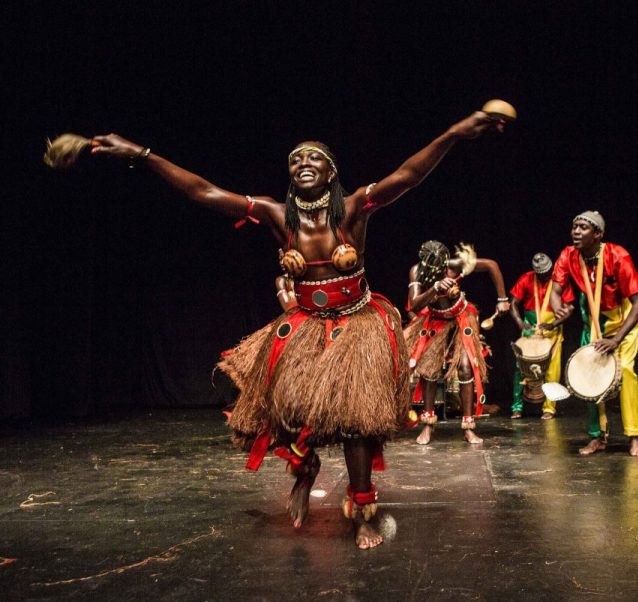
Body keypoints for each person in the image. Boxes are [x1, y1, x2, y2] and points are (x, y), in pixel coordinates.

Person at [88, 110, 505, 549]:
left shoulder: (356, 206)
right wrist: (142, 154)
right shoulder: (275, 214)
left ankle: (362, 511)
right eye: (295, 160)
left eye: (314, 158)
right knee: (282, 411)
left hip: (358, 324)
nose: (303, 163)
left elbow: (408, 175)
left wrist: (456, 133)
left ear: (331, 171)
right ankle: (304, 471)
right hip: (304, 323)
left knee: (356, 423)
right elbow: (204, 192)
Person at [550, 211, 638, 457]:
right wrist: (557, 308)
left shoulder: (618, 255)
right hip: (591, 320)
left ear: (598, 234)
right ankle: (597, 436)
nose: (576, 231)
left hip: (622, 322)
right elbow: (556, 290)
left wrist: (616, 338)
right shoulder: (568, 255)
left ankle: (634, 436)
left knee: (625, 371)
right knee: (588, 374)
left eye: (583, 228)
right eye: (574, 227)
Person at [404, 240, 510, 445]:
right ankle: (428, 425)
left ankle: (468, 427)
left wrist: (502, 298)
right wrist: (434, 288)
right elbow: (415, 306)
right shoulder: (416, 272)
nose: (436, 271)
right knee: (429, 370)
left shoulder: (453, 266)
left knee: (465, 368)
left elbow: (491, 265)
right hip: (435, 320)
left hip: (462, 316)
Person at [509, 252, 574, 420]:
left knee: (552, 371)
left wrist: (554, 324)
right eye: (542, 273)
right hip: (530, 330)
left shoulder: (559, 280)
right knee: (521, 368)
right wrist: (519, 322)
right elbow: (513, 302)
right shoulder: (527, 278)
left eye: (548, 272)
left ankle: (549, 408)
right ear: (536, 272)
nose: (545, 275)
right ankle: (517, 407)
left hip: (552, 331)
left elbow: (569, 308)